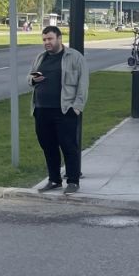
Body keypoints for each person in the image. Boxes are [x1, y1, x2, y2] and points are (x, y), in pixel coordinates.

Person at [29, 25, 89, 194]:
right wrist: (33, 80)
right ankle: (54, 180)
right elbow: (29, 77)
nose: (46, 42)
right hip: (41, 110)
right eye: (44, 40)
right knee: (48, 147)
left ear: (59, 39)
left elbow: (83, 84)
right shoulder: (40, 57)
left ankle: (73, 181)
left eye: (50, 39)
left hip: (64, 110)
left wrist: (77, 107)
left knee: (69, 147)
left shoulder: (74, 57)